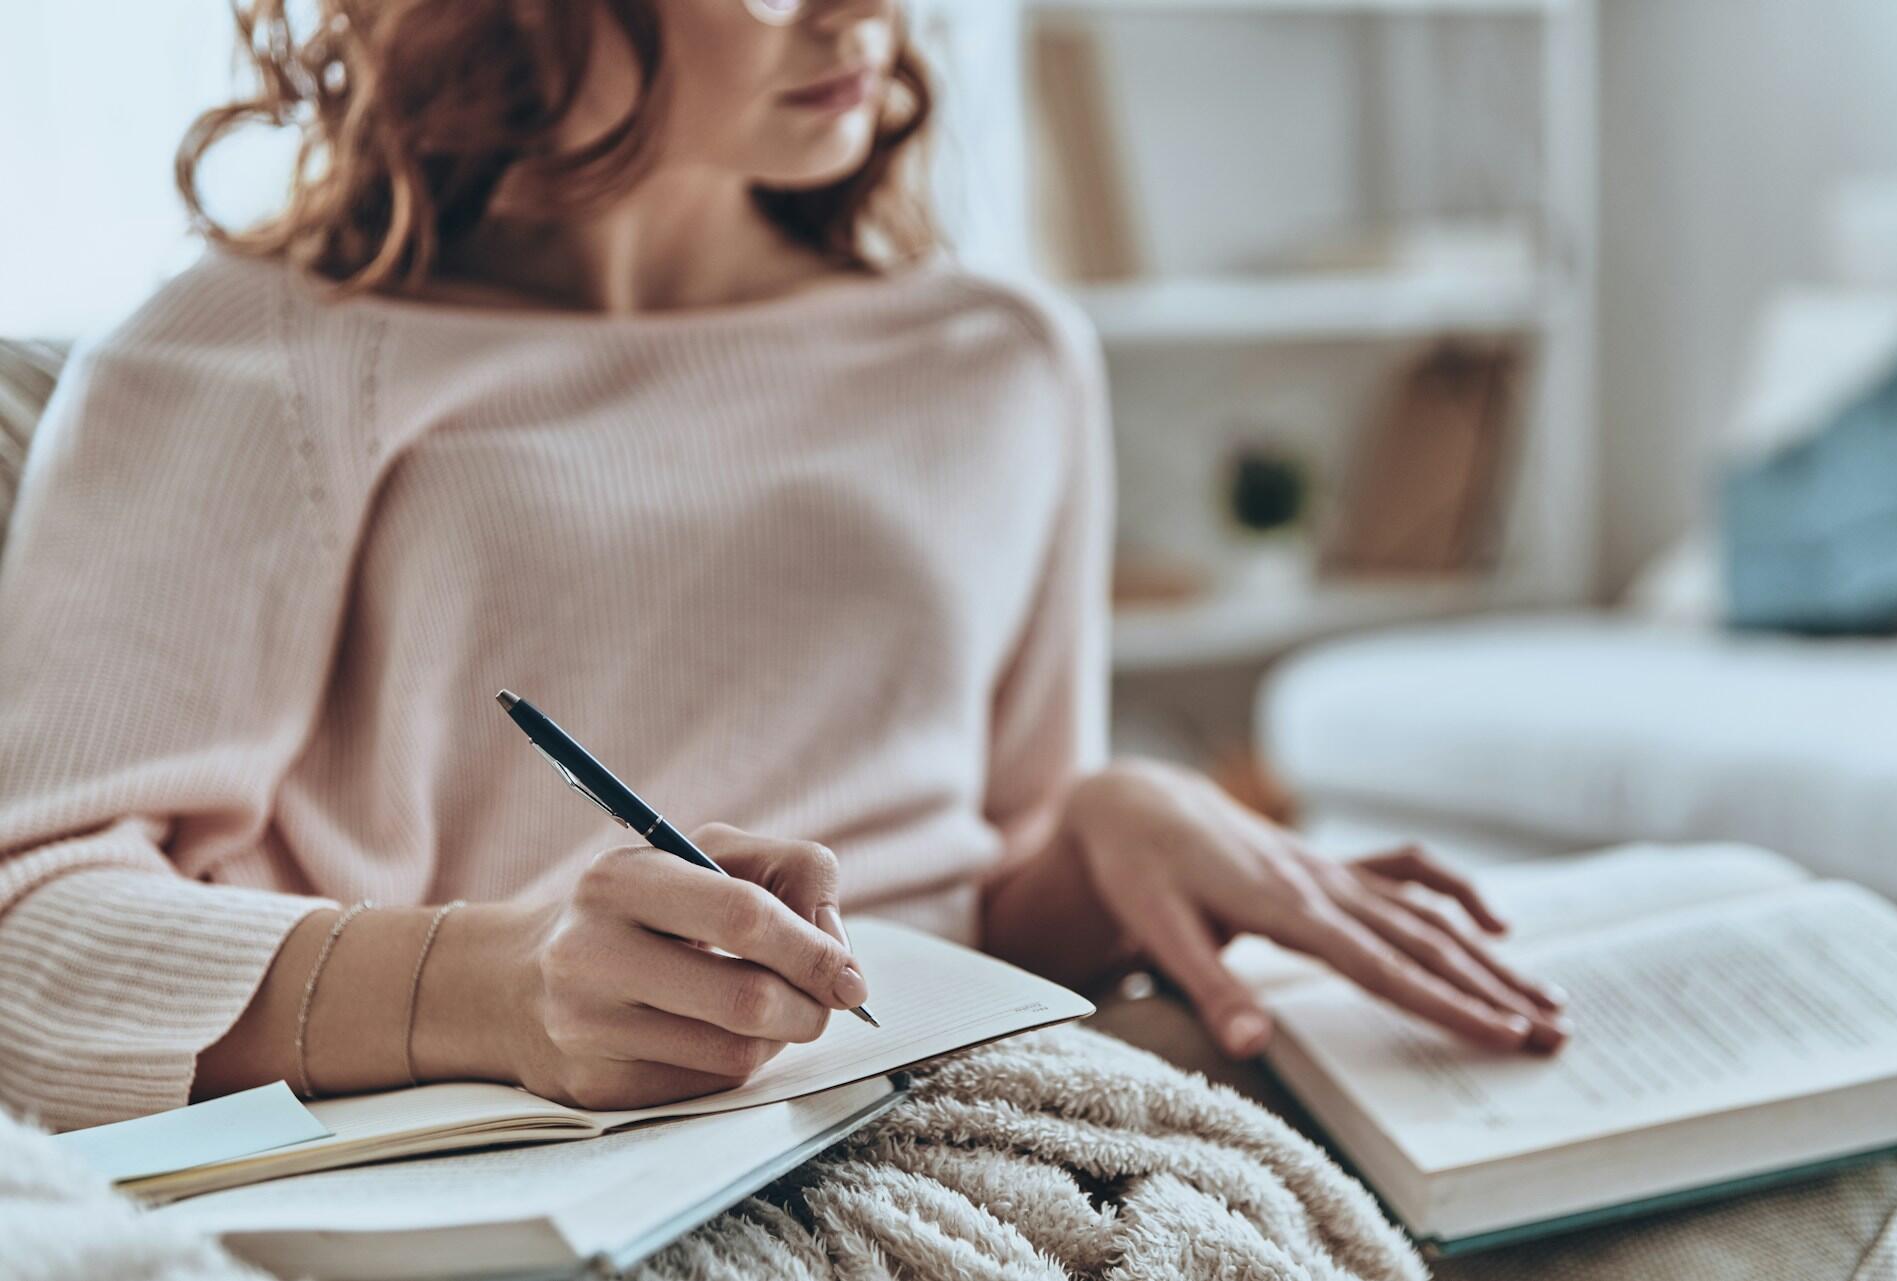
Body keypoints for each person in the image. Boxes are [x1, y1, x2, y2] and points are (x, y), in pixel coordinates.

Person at [0, 0, 1564, 1133]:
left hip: (963, 1106)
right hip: (520, 1172)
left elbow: (976, 915)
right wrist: (493, 987)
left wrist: (1100, 839)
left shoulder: (1003, 360)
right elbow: (29, 937)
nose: (866, 13)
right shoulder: (251, 357)